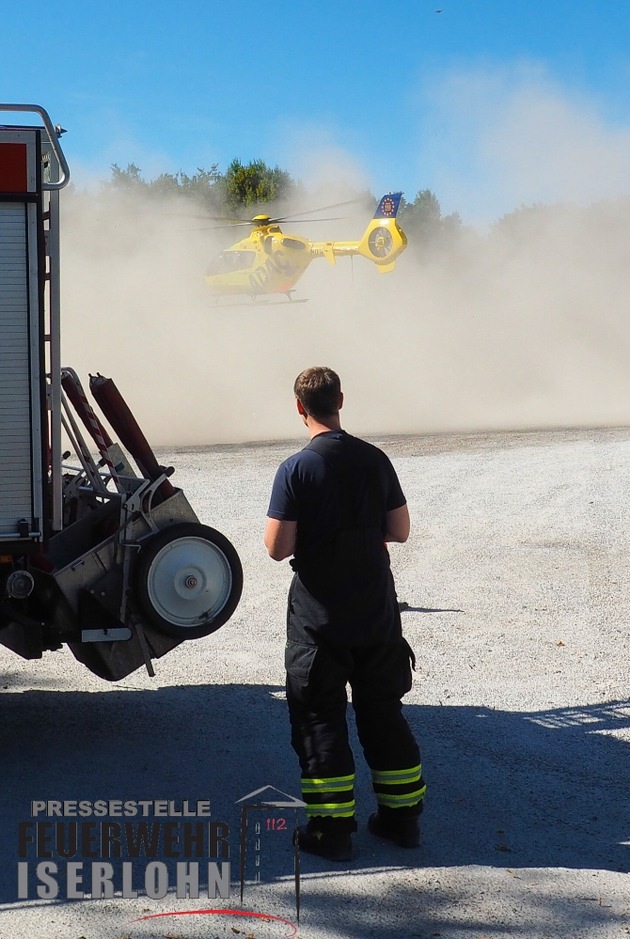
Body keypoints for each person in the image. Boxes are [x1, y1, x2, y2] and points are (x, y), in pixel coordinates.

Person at [264, 366, 425, 861]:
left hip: (320, 618)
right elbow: (400, 529)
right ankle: (401, 823)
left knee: (319, 718)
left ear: (299, 407)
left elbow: (276, 547)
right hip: (376, 610)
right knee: (383, 711)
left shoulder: (296, 468)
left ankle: (331, 833)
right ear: (341, 401)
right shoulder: (374, 459)